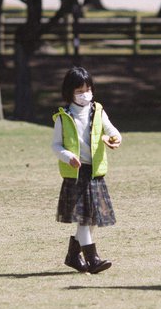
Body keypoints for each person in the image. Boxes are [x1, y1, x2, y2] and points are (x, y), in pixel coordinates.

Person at [52, 65, 122, 274]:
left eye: (88, 89)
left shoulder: (98, 111)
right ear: (69, 93)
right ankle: (93, 260)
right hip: (76, 174)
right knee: (84, 219)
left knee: (90, 219)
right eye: (79, 91)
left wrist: (114, 139)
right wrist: (68, 156)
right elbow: (55, 145)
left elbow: (112, 131)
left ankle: (73, 256)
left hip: (94, 173)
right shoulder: (63, 117)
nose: (85, 95)